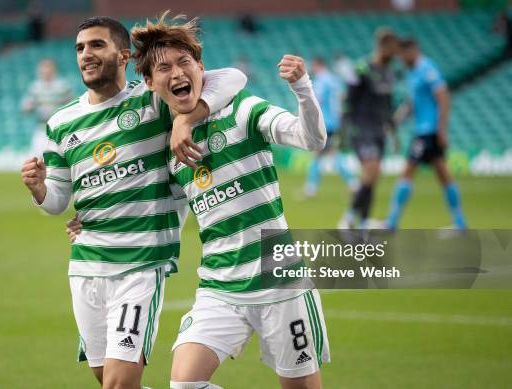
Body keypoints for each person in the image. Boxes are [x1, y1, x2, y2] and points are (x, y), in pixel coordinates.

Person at [69, 13, 330, 389]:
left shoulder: (243, 110)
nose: (176, 73)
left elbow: (312, 139)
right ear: (149, 82)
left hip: (280, 281)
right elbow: (144, 199)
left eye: (184, 62)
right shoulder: (170, 151)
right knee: (184, 384)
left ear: (201, 68)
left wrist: (302, 88)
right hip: (219, 285)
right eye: (164, 68)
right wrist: (93, 220)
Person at [20, 16, 246, 389]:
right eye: (79, 48)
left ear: (123, 55)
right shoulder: (62, 122)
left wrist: (184, 122)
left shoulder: (152, 101)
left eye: (96, 45)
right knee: (105, 377)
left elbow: (232, 78)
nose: (86, 54)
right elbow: (58, 201)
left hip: (140, 264)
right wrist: (39, 189)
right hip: (87, 265)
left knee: (117, 383)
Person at [384, 38, 467, 231]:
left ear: (412, 51)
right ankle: (460, 222)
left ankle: (392, 222)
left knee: (407, 172)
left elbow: (443, 97)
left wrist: (441, 130)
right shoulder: (413, 73)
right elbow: (411, 104)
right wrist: (395, 121)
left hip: (427, 132)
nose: (401, 59)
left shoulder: (427, 68)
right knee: (443, 175)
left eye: (402, 55)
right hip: (424, 130)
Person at [338, 27, 398, 229]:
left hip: (378, 129)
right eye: (390, 48)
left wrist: (394, 134)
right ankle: (347, 218)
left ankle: (363, 222)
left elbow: (388, 105)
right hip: (361, 127)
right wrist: (344, 131)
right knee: (371, 170)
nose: (393, 52)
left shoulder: (389, 72)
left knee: (374, 175)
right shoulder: (362, 68)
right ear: (381, 46)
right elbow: (348, 100)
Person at [304, 56, 355, 197]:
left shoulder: (322, 79)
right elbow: (342, 97)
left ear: (317, 65)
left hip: (324, 122)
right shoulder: (334, 80)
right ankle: (351, 183)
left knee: (322, 154)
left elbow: (317, 100)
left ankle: (311, 188)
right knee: (328, 153)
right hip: (334, 121)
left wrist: (303, 114)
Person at [21, 59, 74, 155]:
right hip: (42, 128)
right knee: (37, 159)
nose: (45, 71)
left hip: (58, 129)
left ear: (54, 70)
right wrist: (31, 106)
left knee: (59, 159)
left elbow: (72, 105)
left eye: (48, 68)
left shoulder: (62, 86)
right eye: (43, 69)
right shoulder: (35, 87)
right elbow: (25, 108)